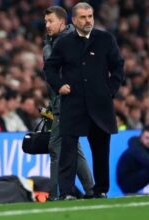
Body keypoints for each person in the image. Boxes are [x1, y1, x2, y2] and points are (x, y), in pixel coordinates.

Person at [44, 2, 124, 199]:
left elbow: (118, 67)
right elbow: (50, 68)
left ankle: (100, 190)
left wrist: (110, 90)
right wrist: (59, 85)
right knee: (67, 150)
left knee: (100, 149)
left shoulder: (105, 39)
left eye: (90, 16)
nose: (88, 20)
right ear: (74, 20)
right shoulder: (64, 43)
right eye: (83, 17)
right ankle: (65, 192)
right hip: (73, 104)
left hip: (100, 104)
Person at [42, 6, 94, 200]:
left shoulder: (67, 43)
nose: (47, 25)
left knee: (55, 147)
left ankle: (54, 195)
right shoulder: (53, 42)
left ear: (63, 23)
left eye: (50, 21)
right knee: (73, 147)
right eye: (45, 22)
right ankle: (92, 190)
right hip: (61, 103)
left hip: (68, 102)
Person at [117, 126, 149, 194]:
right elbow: (145, 160)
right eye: (147, 138)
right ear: (141, 137)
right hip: (126, 181)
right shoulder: (136, 148)